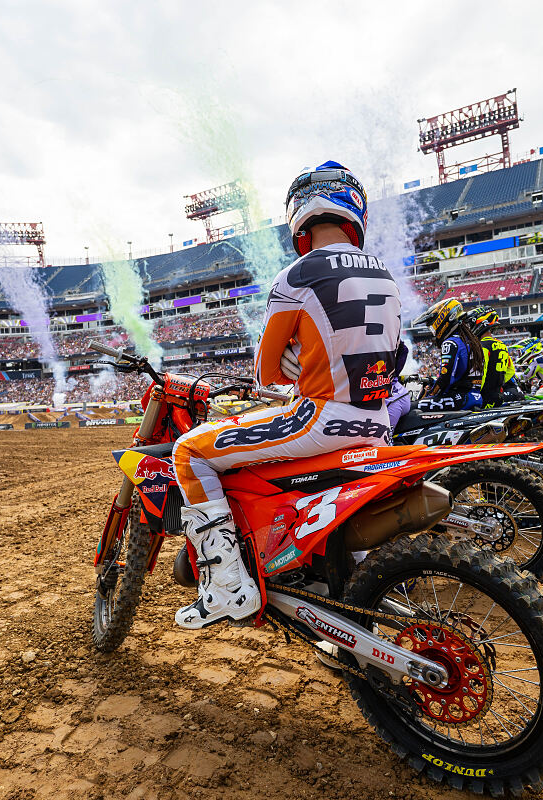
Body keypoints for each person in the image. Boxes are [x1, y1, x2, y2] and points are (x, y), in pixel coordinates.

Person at [170, 161, 400, 629]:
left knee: (189, 452)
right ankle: (353, 605)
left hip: (322, 420)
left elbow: (265, 371)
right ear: (355, 211)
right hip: (378, 425)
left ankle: (227, 589)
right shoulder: (386, 275)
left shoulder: (296, 276)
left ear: (299, 215)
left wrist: (297, 353)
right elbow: (393, 356)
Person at [414, 298, 485, 411]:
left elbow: (445, 379)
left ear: (442, 320)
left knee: (410, 408)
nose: (434, 332)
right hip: (474, 397)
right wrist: (433, 382)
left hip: (459, 398)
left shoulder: (450, 343)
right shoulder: (471, 341)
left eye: (433, 327)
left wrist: (431, 393)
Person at [468, 308, 518, 406]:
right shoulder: (502, 345)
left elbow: (481, 374)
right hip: (498, 396)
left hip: (484, 398)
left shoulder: (482, 346)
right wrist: (498, 382)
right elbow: (511, 371)